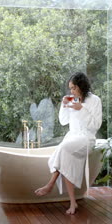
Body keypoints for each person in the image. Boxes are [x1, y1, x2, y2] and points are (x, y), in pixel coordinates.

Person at [34, 72, 102, 214]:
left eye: (73, 88)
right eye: (70, 88)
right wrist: (64, 105)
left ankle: (50, 184)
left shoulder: (95, 100)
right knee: (65, 157)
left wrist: (81, 109)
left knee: (63, 149)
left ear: (81, 86)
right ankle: (73, 202)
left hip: (86, 138)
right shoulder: (73, 99)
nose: (71, 91)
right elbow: (63, 121)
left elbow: (96, 125)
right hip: (72, 137)